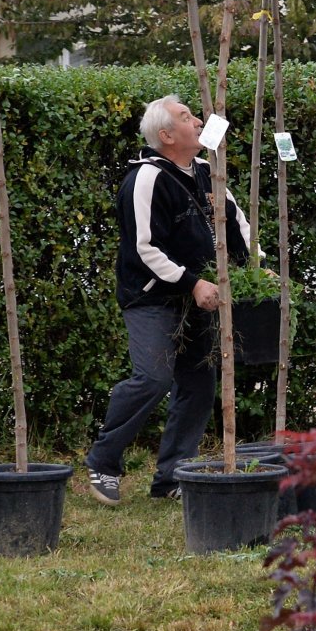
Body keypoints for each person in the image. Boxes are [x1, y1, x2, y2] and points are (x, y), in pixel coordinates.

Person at [85, 94, 248, 505]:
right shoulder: (145, 178)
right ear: (166, 135)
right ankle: (103, 460)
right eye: (185, 116)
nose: (197, 121)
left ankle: (172, 477)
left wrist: (252, 267)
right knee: (153, 378)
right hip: (153, 297)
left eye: (193, 115)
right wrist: (191, 282)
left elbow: (237, 224)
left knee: (198, 383)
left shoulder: (209, 173)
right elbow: (144, 247)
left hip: (201, 298)